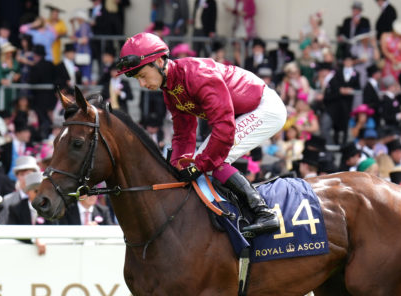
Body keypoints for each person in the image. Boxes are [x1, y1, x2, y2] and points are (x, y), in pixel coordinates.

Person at [116, 32, 283, 235]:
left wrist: (199, 165)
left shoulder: (197, 75)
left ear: (159, 61)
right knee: (203, 162)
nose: (142, 84)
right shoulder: (169, 90)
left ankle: (264, 213)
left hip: (264, 108)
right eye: (137, 79)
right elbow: (183, 134)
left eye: (142, 76)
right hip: (241, 112)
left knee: (213, 161)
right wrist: (176, 167)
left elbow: (223, 126)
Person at [0, 42, 21, 116]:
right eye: (8, 52)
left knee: (12, 103)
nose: (10, 54)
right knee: (2, 103)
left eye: (10, 52)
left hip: (12, 87)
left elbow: (18, 71)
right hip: (2, 87)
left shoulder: (14, 61)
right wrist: (2, 80)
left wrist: (17, 75)